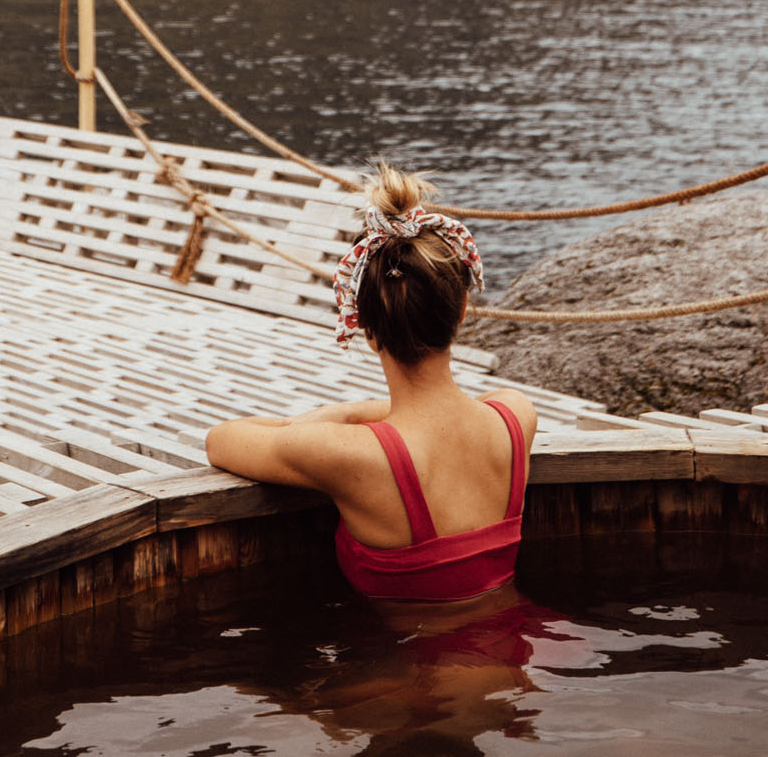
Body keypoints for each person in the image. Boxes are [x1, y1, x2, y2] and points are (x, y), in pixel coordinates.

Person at [204, 163, 538, 603]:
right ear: (461, 310)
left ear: (360, 322)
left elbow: (221, 440)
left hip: (416, 670)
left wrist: (339, 415)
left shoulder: (347, 452)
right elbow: (444, 413)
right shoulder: (515, 416)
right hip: (519, 646)